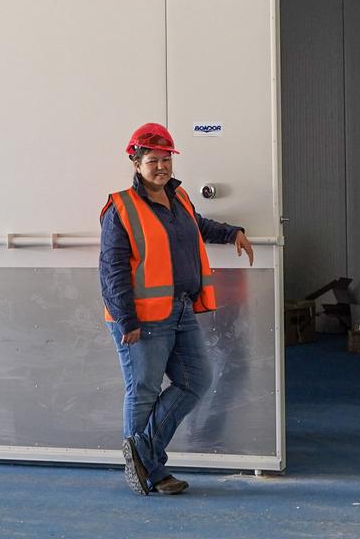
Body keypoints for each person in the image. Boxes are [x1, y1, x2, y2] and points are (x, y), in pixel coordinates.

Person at [99, 122, 254, 496]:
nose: (161, 166)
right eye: (153, 160)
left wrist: (232, 231)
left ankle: (143, 454)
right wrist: (126, 320)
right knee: (144, 390)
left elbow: (196, 227)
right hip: (143, 319)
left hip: (182, 310)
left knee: (196, 380)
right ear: (136, 163)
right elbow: (112, 268)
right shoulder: (121, 207)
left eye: (166, 159)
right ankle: (149, 471)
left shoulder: (179, 199)